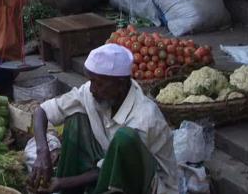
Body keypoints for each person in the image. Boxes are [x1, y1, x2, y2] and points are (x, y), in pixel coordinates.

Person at [29, 44, 178, 194]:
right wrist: (43, 152)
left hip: (147, 184)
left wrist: (62, 183)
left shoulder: (144, 118)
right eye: (91, 80)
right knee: (76, 118)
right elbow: (42, 111)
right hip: (106, 161)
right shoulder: (94, 92)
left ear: (120, 84)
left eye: (99, 83)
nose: (92, 89)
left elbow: (113, 167)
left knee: (124, 138)